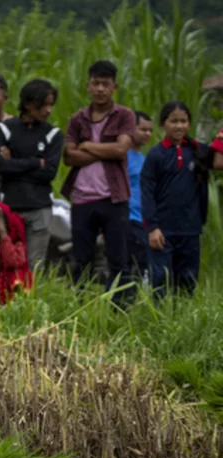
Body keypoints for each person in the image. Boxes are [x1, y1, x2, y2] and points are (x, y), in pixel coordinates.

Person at [62, 61, 136, 301]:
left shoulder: (124, 115)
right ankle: (79, 307)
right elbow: (69, 156)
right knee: (81, 259)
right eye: (96, 83)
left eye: (105, 84)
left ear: (114, 87)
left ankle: (119, 309)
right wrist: (105, 148)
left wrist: (87, 145)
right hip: (82, 198)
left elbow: (121, 150)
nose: (100, 89)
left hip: (113, 198)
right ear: (88, 86)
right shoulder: (77, 119)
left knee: (118, 259)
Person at [141, 102, 221, 297]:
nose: (179, 126)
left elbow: (218, 162)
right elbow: (147, 192)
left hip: (190, 229)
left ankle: (182, 321)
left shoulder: (198, 152)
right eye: (173, 121)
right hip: (162, 230)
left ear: (189, 124)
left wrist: (220, 138)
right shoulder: (155, 155)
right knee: (160, 278)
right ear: (163, 125)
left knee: (187, 279)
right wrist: (152, 227)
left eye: (183, 121)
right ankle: (160, 321)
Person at [0, 79, 63, 271]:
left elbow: (49, 172)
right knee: (10, 262)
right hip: (11, 206)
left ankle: (31, 301)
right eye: (43, 105)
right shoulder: (5, 129)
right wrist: (34, 162)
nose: (48, 110)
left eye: (51, 105)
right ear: (28, 104)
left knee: (35, 265)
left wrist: (13, 162)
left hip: (40, 207)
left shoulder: (53, 134)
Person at [0, 202, 32, 315]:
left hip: (2, 294)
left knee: (16, 274)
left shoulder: (15, 240)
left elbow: (12, 261)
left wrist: (2, 233)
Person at [127, 111, 153, 281]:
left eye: (150, 130)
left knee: (142, 263)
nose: (147, 134)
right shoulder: (122, 156)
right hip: (128, 216)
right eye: (142, 129)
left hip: (143, 218)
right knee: (133, 263)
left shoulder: (143, 158)